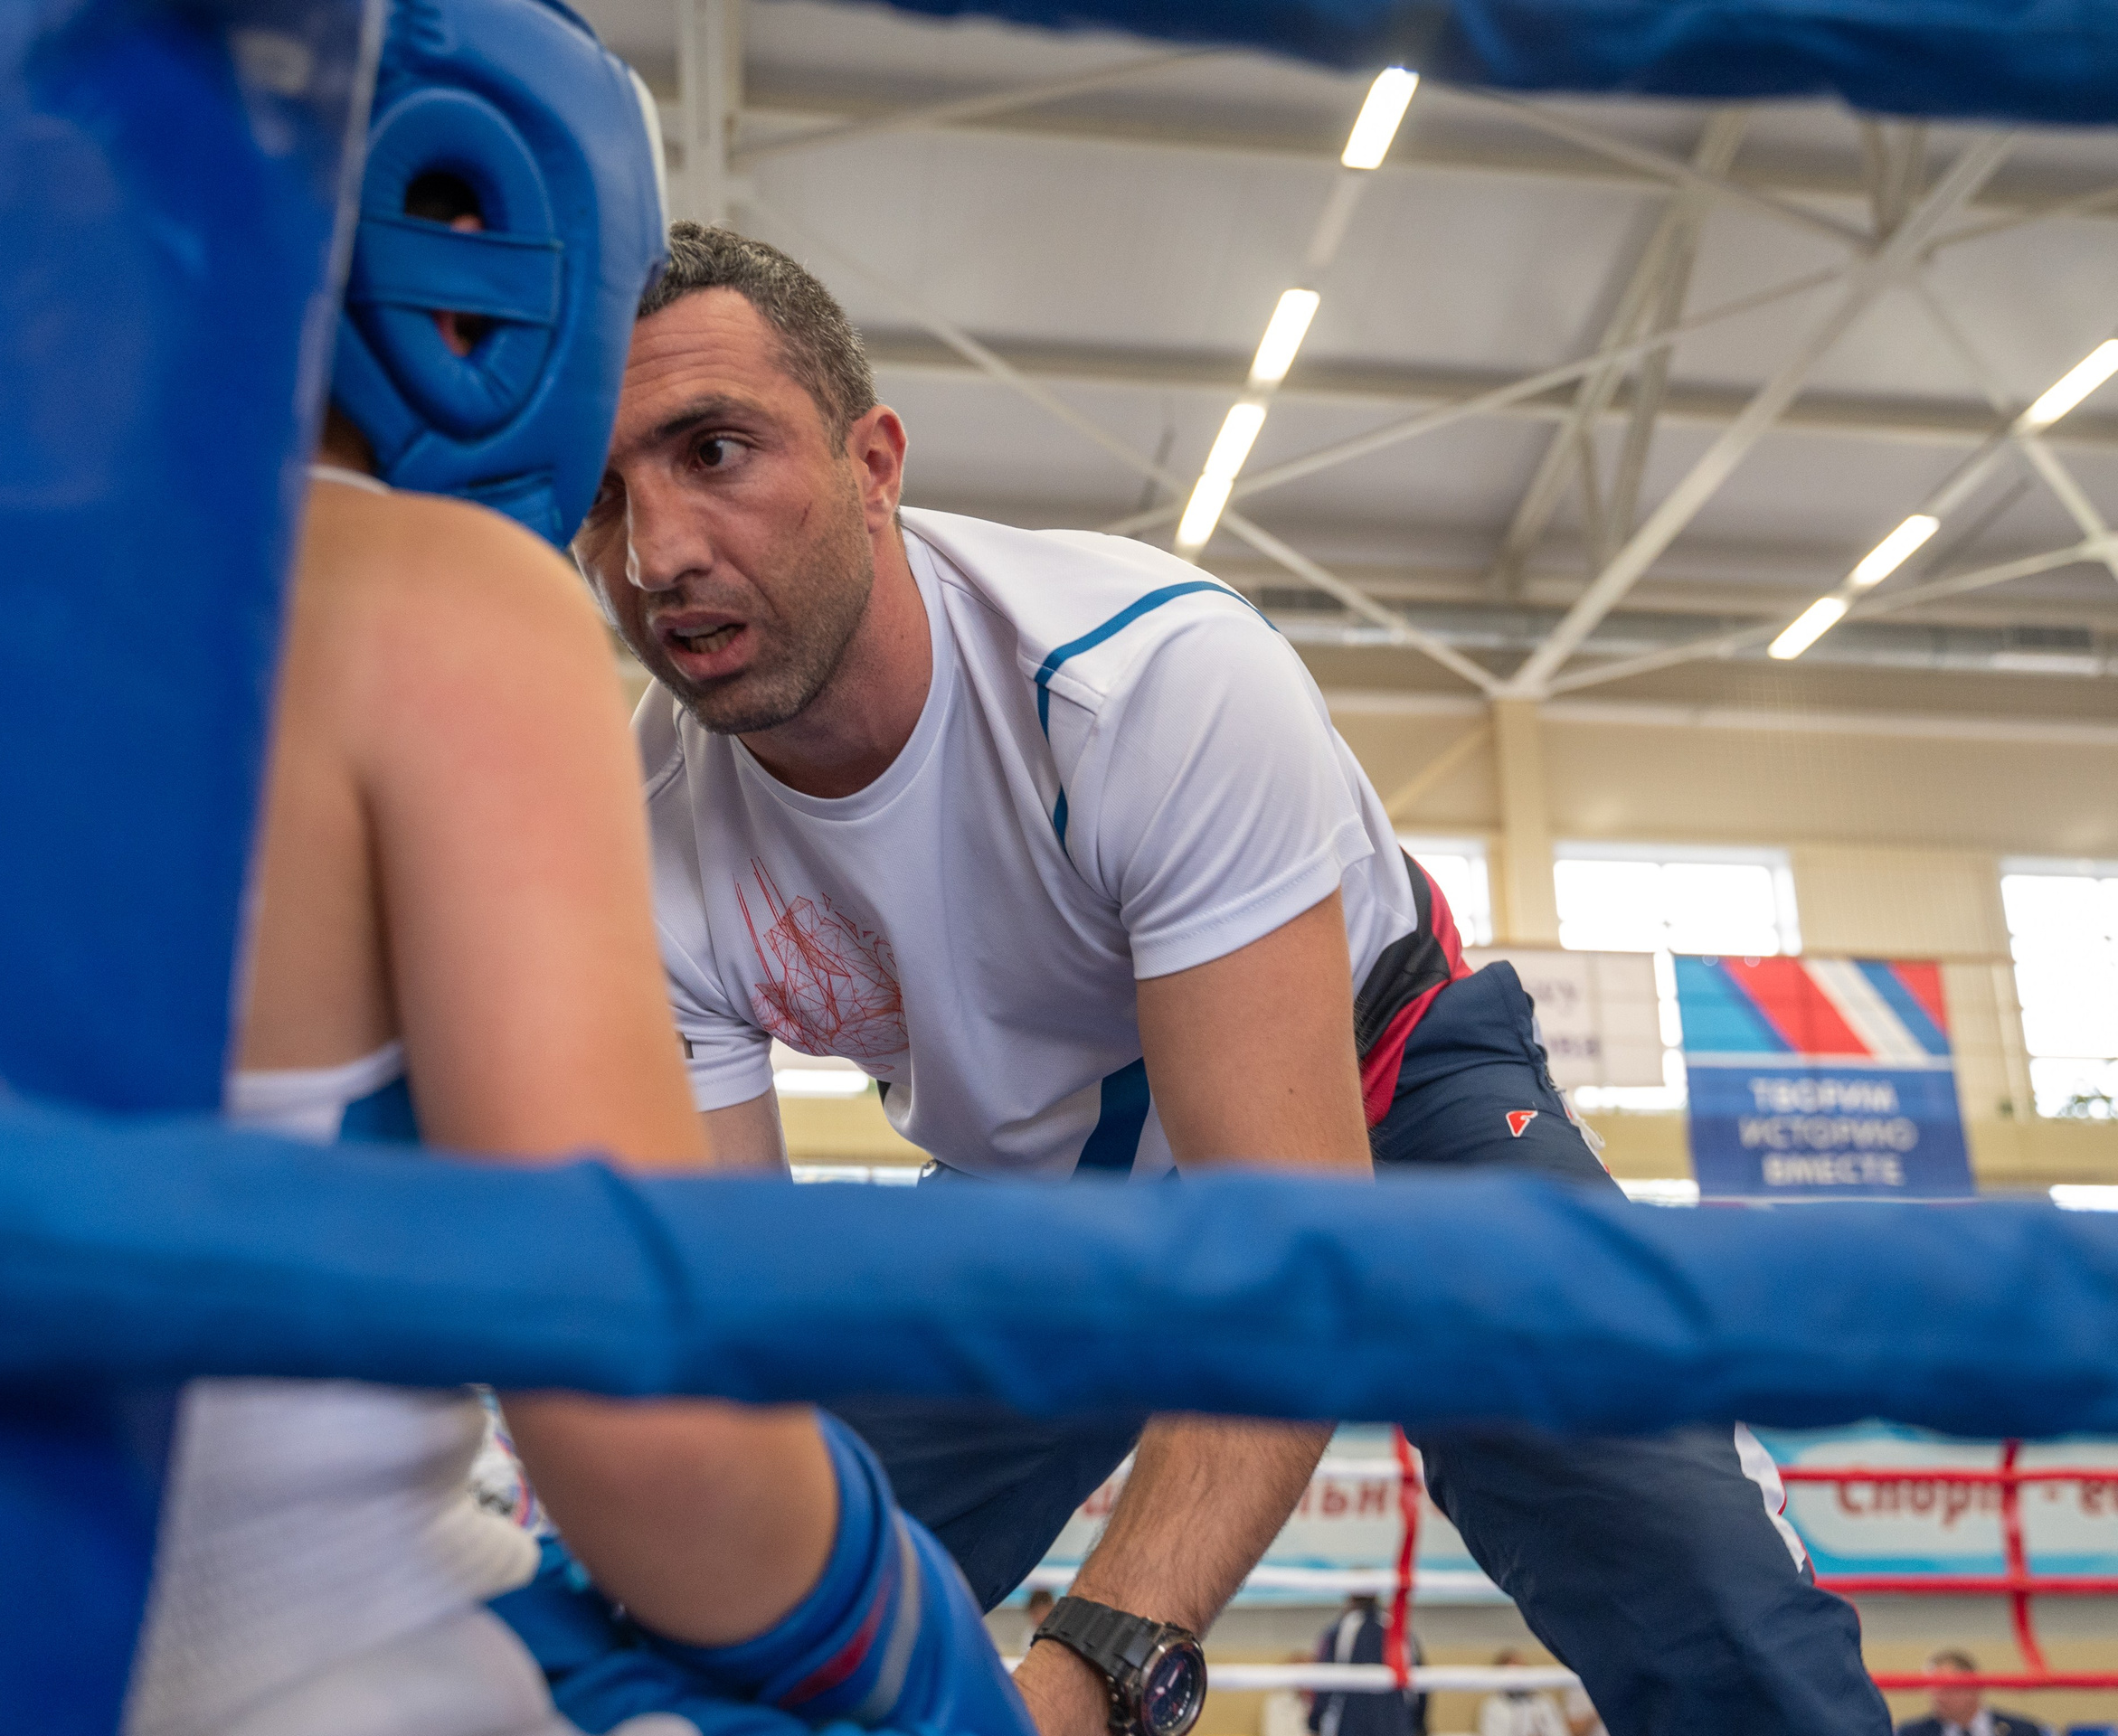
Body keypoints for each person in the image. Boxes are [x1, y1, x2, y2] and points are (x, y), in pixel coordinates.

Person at [577, 219, 1886, 1736]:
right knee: (719, 1619)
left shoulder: (1151, 684)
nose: (658, 552)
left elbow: (1287, 1253)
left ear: (875, 463)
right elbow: (730, 1347)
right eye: (606, 497)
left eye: (715, 451)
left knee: (1722, 1632)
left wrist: (1090, 1682)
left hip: (1381, 1095)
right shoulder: (644, 842)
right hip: (1045, 1193)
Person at [126, 10, 1028, 1736]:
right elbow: (644, 1421)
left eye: (711, 454)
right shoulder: (440, 599)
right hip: (307, 1661)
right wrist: (908, 1653)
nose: (654, 548)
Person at [1308, 1595, 1423, 1736]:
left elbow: (1323, 1685)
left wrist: (1314, 1724)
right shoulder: (1400, 1631)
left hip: (1350, 1727)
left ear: (1350, 1597)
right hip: (1397, 1726)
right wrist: (1419, 1725)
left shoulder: (1338, 1632)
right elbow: (1420, 1686)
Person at [1893, 1650, 2047, 1736]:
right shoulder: (1912, 1733)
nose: (1937, 1697)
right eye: (1932, 1689)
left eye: (1947, 1689)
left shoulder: (2022, 1731)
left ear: (1974, 1687)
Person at [1475, 1651, 1567, 1736]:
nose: (1518, 1679)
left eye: (1522, 1671)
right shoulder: (1492, 1706)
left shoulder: (1544, 1702)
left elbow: (1560, 1733)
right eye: (1512, 1674)